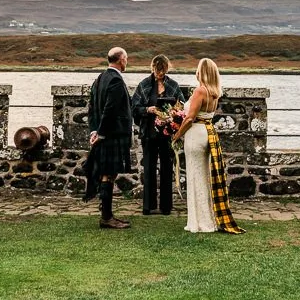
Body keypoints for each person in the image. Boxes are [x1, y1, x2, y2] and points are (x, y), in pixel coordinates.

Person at [172, 57, 243, 234]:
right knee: (205, 176)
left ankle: (198, 222)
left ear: (201, 71)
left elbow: (190, 118)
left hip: (196, 134)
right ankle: (208, 219)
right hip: (208, 133)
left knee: (195, 176)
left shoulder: (200, 91)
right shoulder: (214, 93)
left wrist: (177, 135)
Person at [85, 46, 134, 229]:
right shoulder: (115, 81)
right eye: (126, 59)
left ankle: (108, 215)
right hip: (112, 135)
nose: (126, 62)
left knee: (108, 173)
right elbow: (109, 110)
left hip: (103, 134)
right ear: (121, 60)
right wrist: (102, 133)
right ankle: (106, 217)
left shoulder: (99, 79)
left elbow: (91, 109)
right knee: (108, 173)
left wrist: (94, 131)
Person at [130, 54, 186, 215]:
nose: (159, 73)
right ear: (152, 68)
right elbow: (134, 107)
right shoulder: (144, 85)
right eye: (156, 70)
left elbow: (182, 107)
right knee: (148, 168)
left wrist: (172, 113)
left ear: (167, 69)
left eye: (162, 71)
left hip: (168, 134)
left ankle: (166, 206)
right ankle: (148, 206)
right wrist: (148, 109)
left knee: (167, 168)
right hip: (148, 132)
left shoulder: (174, 86)